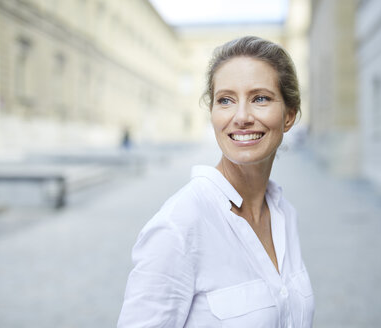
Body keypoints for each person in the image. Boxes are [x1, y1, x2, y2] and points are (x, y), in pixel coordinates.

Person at [117, 36, 315, 328]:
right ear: (212, 113)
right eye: (226, 100)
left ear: (289, 116)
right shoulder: (180, 225)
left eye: (260, 98)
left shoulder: (285, 215)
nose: (242, 117)